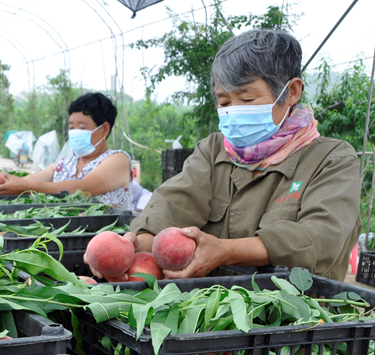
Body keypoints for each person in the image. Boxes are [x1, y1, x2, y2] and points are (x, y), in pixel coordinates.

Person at [109, 29, 361, 282]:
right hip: (208, 309)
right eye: (225, 103)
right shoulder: (213, 151)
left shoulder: (332, 160)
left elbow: (320, 238)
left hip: (301, 314)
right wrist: (134, 247)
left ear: (292, 91)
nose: (235, 111)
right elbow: (173, 206)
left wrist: (225, 252)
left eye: (248, 98)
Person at [0, 93, 135, 210]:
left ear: (104, 129)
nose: (75, 132)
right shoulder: (65, 165)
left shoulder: (117, 160)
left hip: (109, 239)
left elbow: (82, 188)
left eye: (82, 127)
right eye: (72, 126)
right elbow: (27, 181)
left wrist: (25, 187)